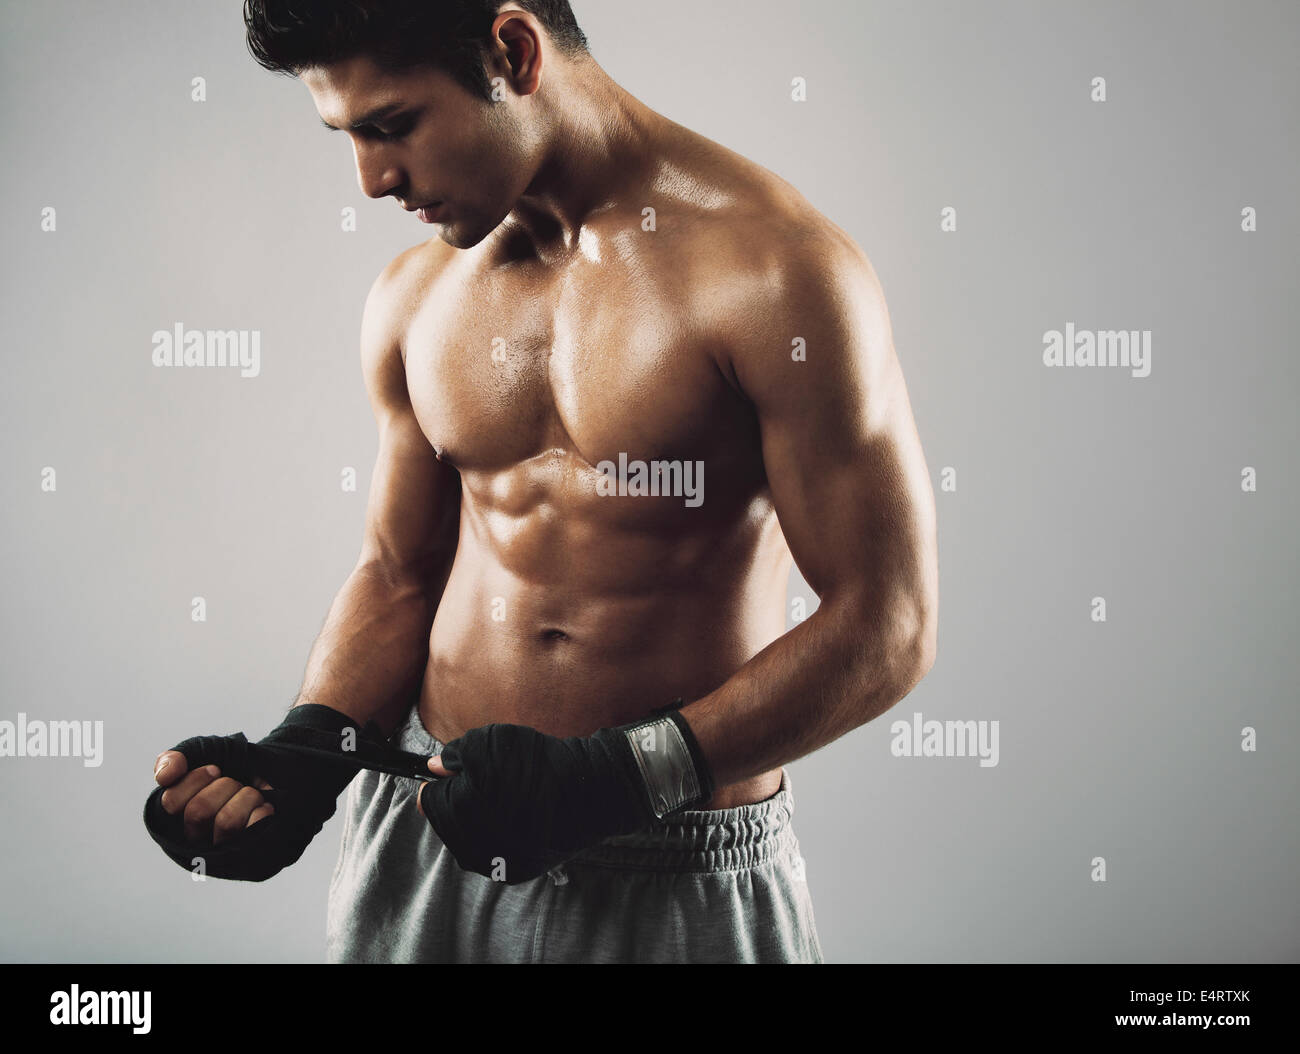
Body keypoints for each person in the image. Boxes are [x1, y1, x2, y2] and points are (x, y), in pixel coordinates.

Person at [145, 0, 939, 964]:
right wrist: (311, 753)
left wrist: (620, 777)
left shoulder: (778, 277)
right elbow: (397, 574)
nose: (370, 179)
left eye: (391, 126)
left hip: (668, 862)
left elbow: (887, 622)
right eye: (348, 137)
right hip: (427, 841)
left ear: (512, 51)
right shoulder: (418, 295)